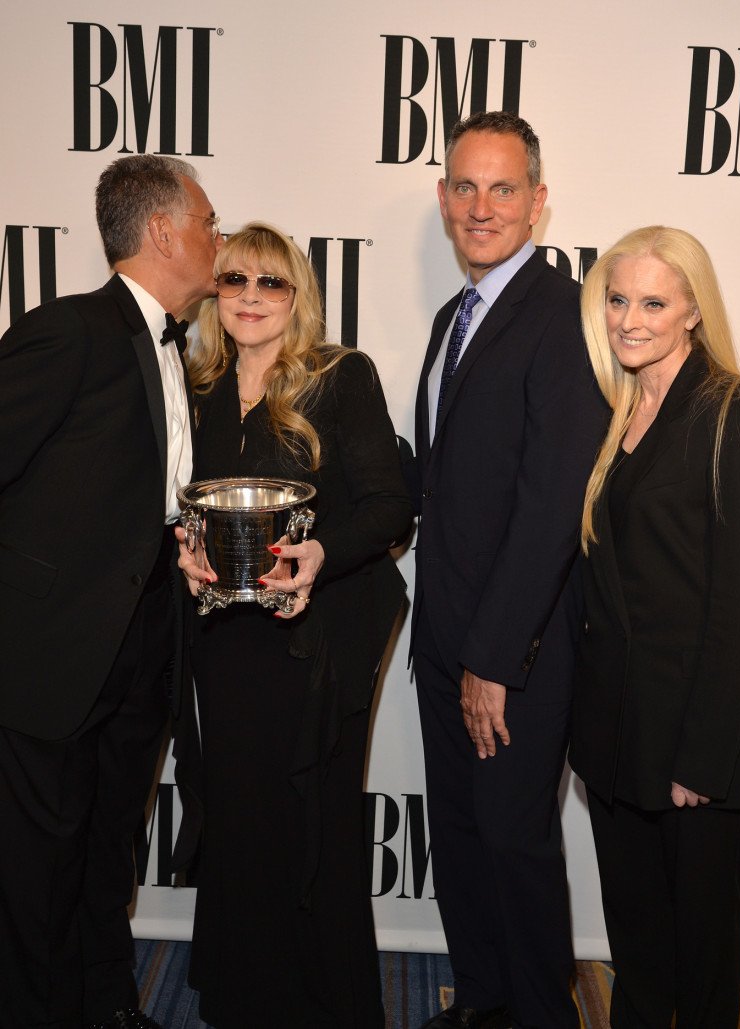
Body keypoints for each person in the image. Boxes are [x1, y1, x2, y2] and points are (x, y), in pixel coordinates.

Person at [0, 156, 221, 1028]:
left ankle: (104, 1005)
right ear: (163, 231)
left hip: (142, 649)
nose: (217, 235)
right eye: (207, 219)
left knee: (106, 853)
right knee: (34, 868)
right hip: (51, 656)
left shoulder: (173, 347)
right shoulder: (70, 332)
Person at [176, 221, 412, 1028]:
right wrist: (183, 550)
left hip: (322, 635)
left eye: (270, 283)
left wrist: (317, 556)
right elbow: (176, 505)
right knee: (239, 810)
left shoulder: (340, 378)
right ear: (215, 291)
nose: (249, 297)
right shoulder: (194, 379)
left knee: (314, 811)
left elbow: (390, 501)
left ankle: (327, 1001)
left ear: (297, 296)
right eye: (234, 279)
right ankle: (247, 993)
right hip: (225, 638)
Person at [411, 111, 607, 1029]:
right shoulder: (456, 316)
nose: (479, 206)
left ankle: (538, 1015)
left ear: (538, 202)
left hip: (515, 651)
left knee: (515, 843)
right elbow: (449, 481)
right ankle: (484, 1000)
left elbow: (550, 502)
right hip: (444, 638)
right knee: (457, 836)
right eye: (463, 186)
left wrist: (493, 655)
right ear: (444, 198)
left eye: (501, 188)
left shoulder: (562, 313)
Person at [569, 225, 740, 1027]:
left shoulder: (739, 418)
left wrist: (704, 758)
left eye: (653, 301)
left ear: (693, 309)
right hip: (620, 746)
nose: (630, 318)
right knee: (641, 958)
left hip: (698, 755)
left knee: (705, 970)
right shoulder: (617, 412)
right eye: (618, 299)